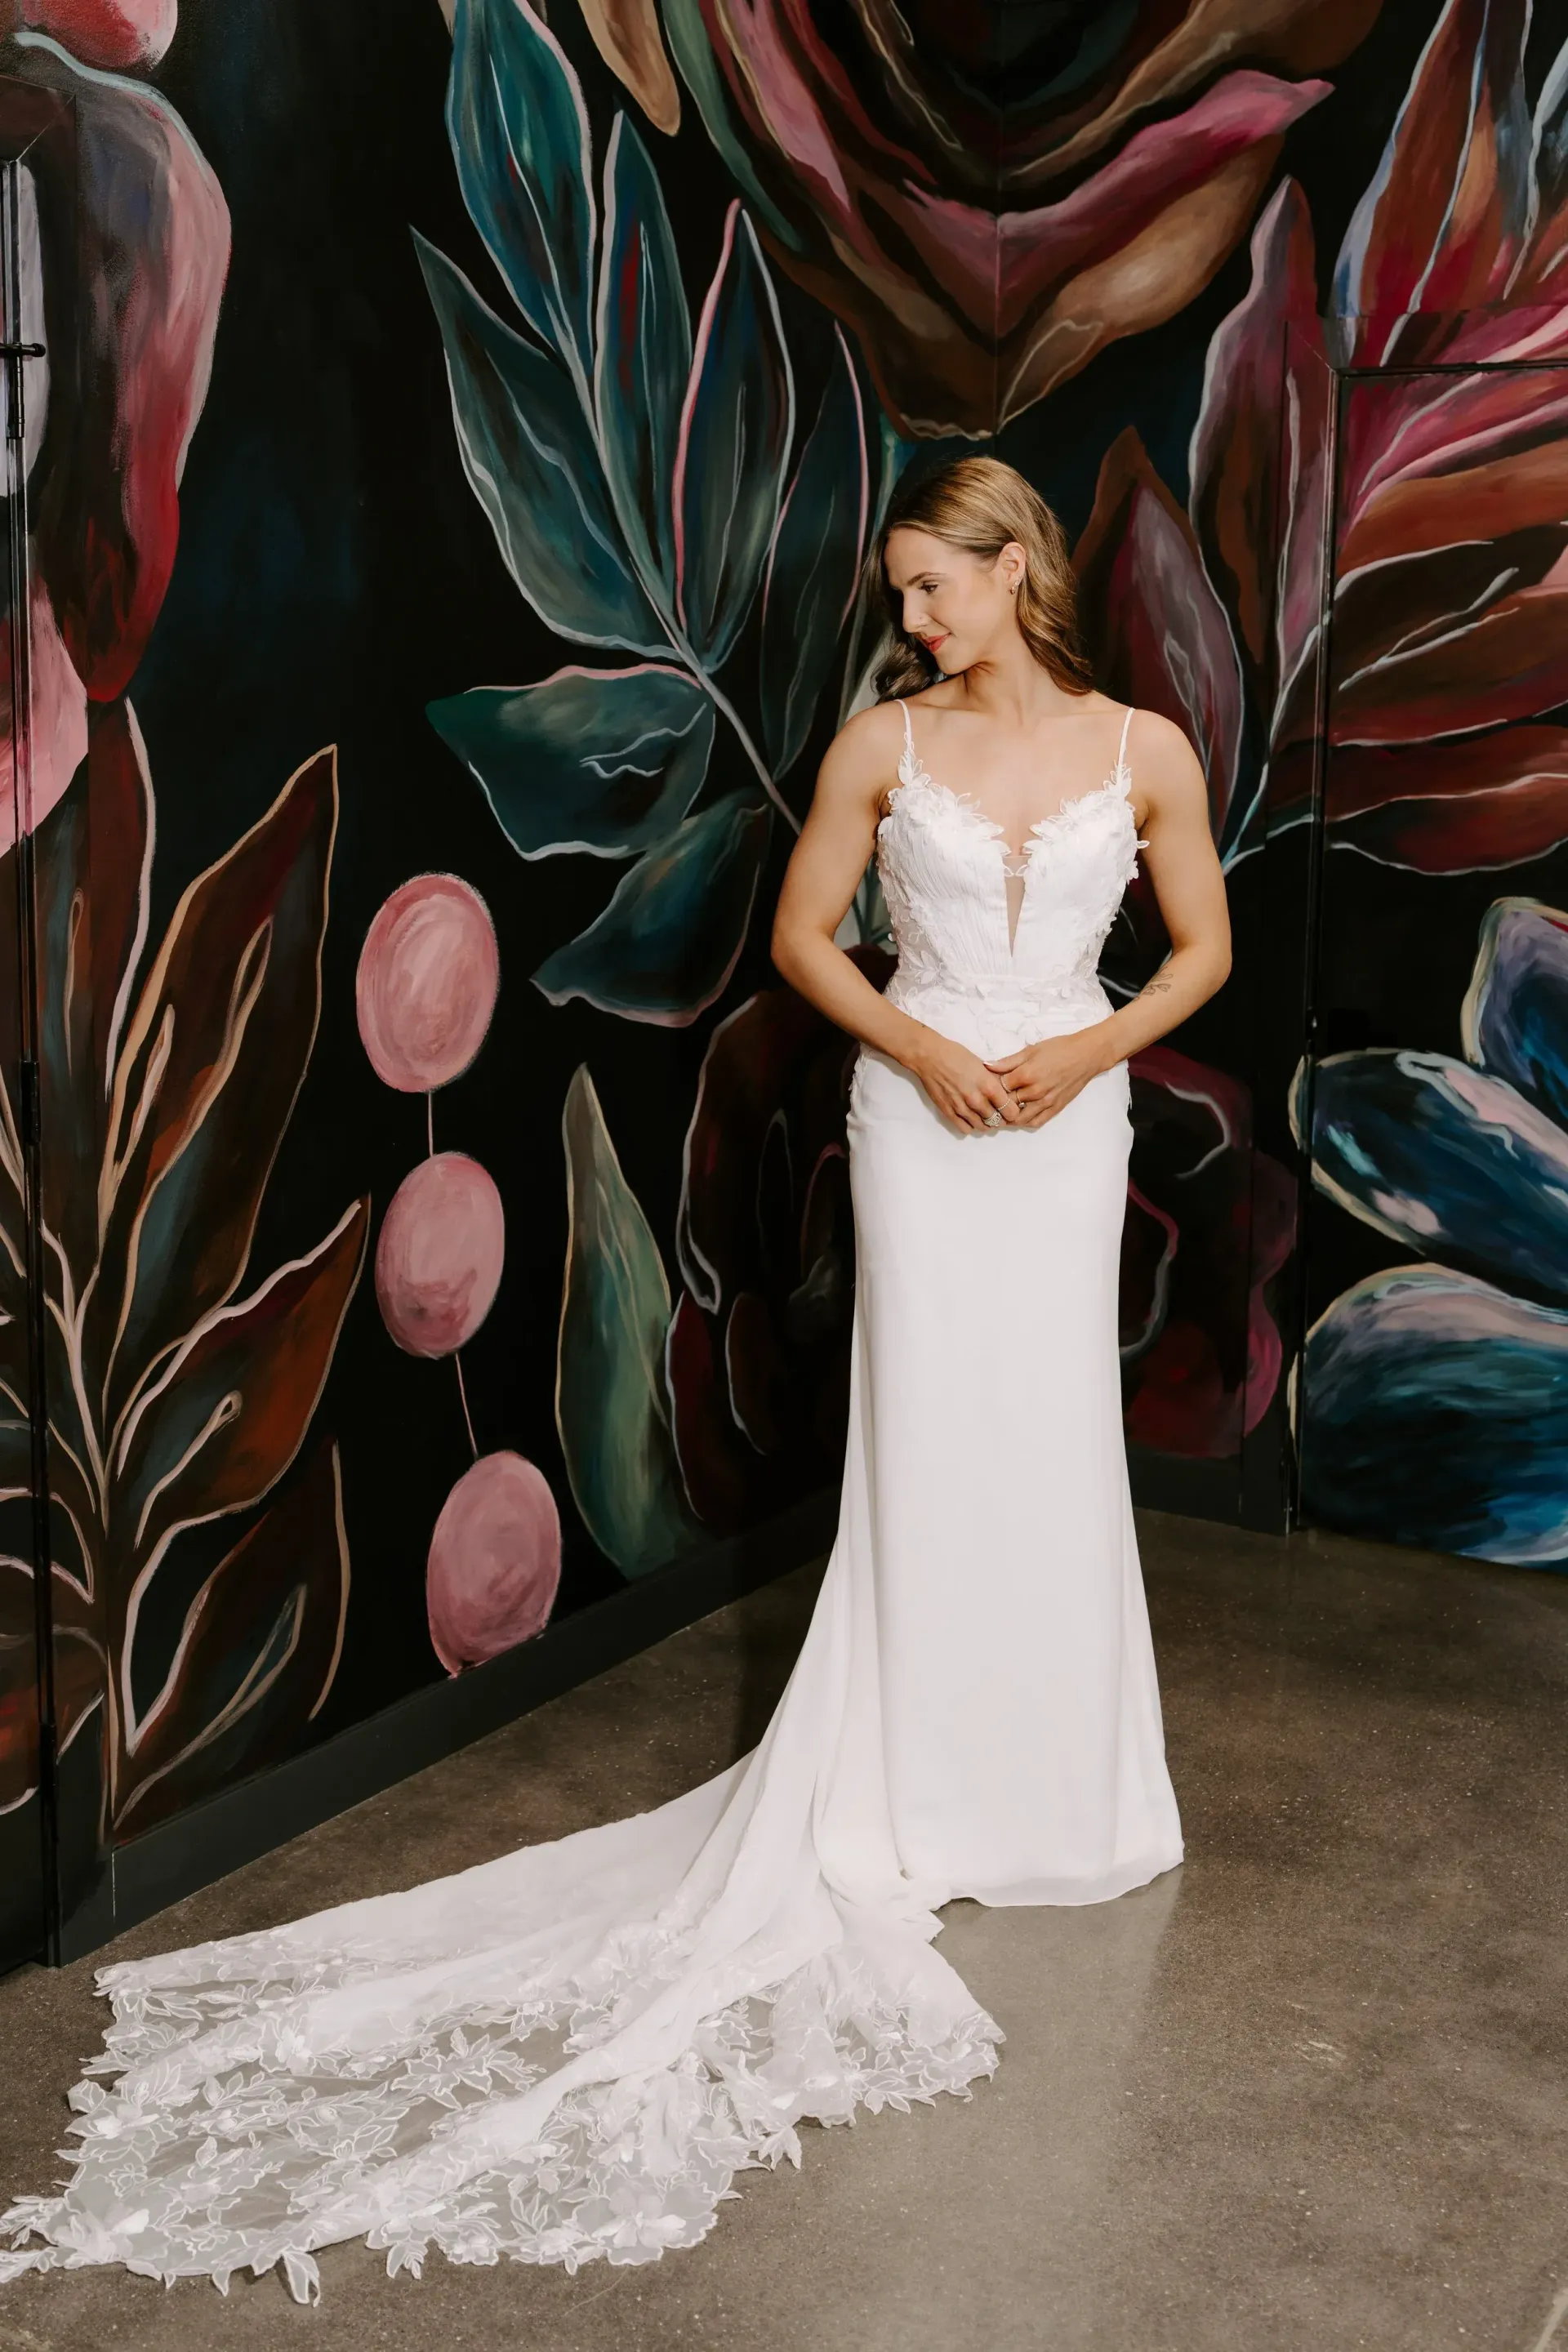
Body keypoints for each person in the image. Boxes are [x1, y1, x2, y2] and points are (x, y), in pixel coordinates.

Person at [0, 457, 1230, 2302]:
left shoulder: (1145, 748)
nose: (907, 620)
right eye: (900, 593)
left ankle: (1064, 1791)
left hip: (1063, 1128)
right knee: (929, 1447)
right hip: (923, 1115)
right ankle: (912, 1791)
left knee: (1050, 1448)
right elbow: (813, 943)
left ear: (1013, 570)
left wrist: (1081, 1051)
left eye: (930, 589)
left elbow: (1199, 949)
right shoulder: (880, 750)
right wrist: (927, 1046)